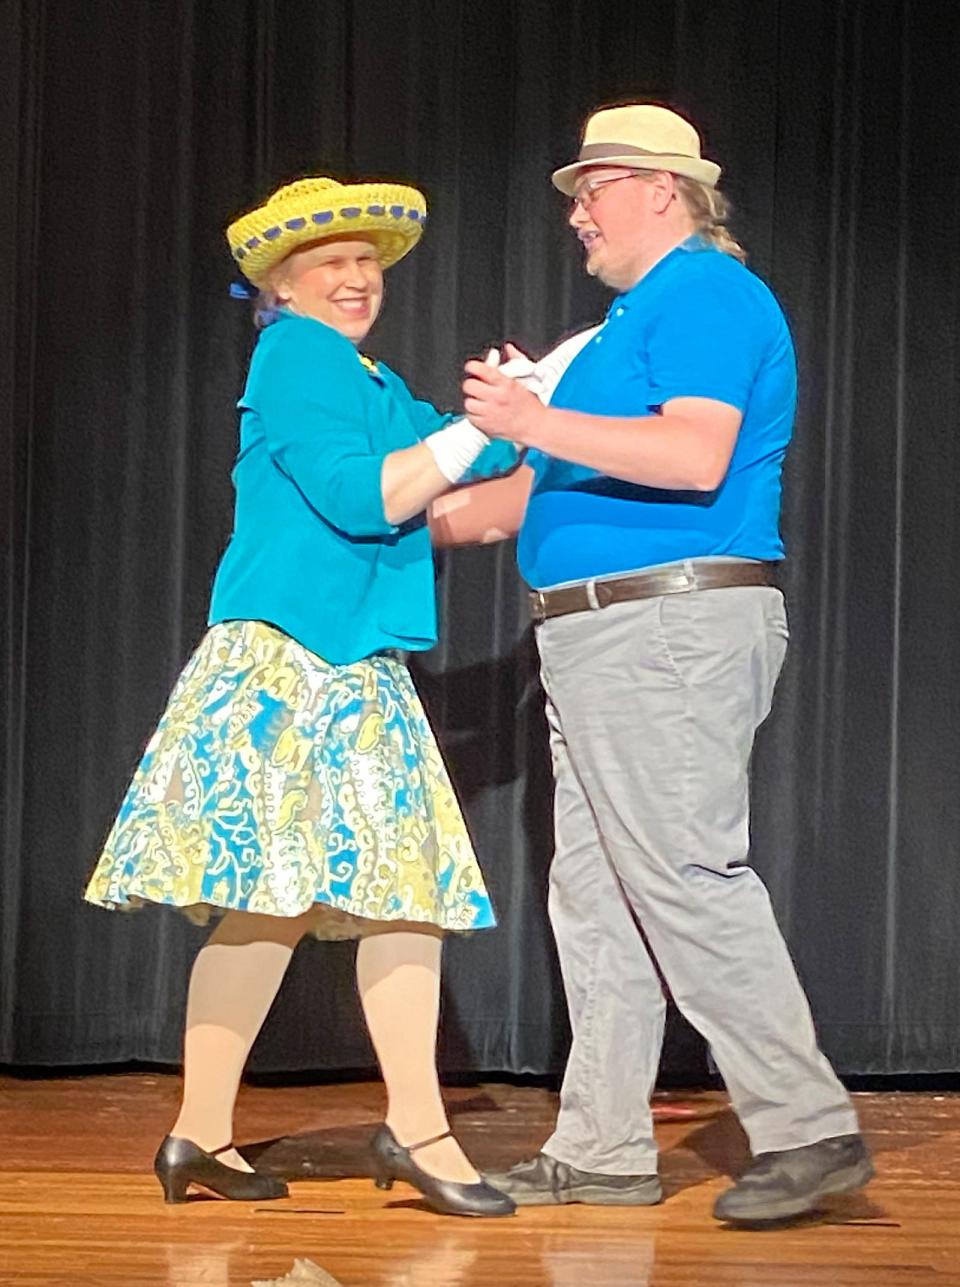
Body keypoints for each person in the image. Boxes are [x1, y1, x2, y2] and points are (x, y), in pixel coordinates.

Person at [433, 104, 874, 1224]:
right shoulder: (628, 327)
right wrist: (372, 513)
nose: (576, 213)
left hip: (664, 629)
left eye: (597, 188)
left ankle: (807, 1125)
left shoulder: (705, 293)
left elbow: (692, 454)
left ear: (665, 193)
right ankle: (602, 1146)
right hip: (596, 634)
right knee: (596, 897)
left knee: (681, 873)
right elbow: (526, 498)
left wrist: (533, 418)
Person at [85, 174, 517, 1217]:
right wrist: (477, 438)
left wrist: (528, 402)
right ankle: (418, 1136)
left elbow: (477, 461)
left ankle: (199, 1137)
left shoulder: (364, 378)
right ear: (282, 283)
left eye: (367, 262)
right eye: (333, 263)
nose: (358, 277)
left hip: (345, 658)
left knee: (283, 912)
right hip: (294, 661)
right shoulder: (297, 356)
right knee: (379, 895)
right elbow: (365, 498)